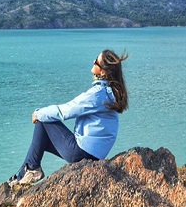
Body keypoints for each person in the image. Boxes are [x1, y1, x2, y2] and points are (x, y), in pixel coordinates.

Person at [8, 49, 129, 186]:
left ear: (102, 72)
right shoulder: (110, 93)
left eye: (96, 61)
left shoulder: (98, 94)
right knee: (41, 137)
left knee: (43, 121)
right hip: (94, 155)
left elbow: (66, 111)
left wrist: (38, 113)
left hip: (83, 154)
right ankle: (24, 174)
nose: (93, 61)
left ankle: (30, 170)